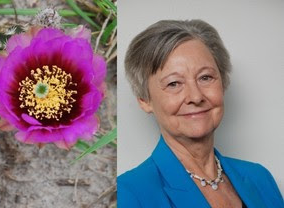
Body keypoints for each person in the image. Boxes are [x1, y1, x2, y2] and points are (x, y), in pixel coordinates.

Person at [117, 19, 284, 207]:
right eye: (174, 83)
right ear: (144, 100)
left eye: (205, 77)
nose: (195, 97)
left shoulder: (259, 178)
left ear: (223, 82)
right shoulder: (129, 193)